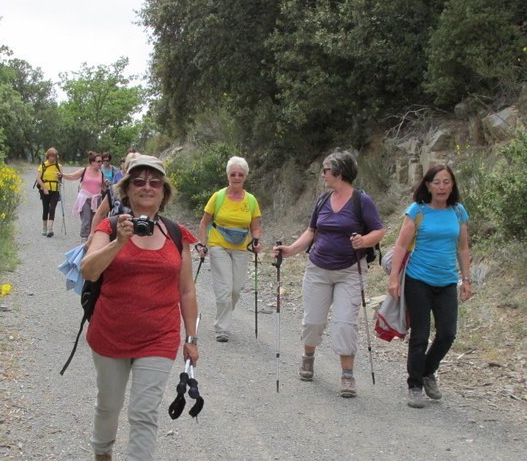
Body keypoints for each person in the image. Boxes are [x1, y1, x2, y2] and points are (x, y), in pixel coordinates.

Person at [80, 154, 199, 461]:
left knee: (145, 412)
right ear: (127, 190)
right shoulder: (109, 226)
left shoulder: (177, 234)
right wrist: (118, 241)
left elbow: (187, 290)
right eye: (139, 181)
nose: (147, 187)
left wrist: (191, 337)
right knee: (109, 404)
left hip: (159, 336)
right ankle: (102, 452)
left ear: (164, 192)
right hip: (111, 330)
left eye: (154, 182)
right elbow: (88, 269)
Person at [274, 150, 384, 398]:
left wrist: (363, 240)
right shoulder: (323, 200)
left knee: (345, 323)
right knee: (313, 321)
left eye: (326, 169)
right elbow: (311, 231)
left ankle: (347, 375)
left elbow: (379, 231)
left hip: (350, 271)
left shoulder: (361, 201)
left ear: (339, 172)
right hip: (318, 269)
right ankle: (308, 357)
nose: (322, 173)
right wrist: (289, 250)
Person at [387, 164, 472, 408]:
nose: (442, 187)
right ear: (427, 185)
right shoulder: (417, 210)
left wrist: (466, 280)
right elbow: (401, 246)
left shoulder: (458, 212)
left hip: (446, 281)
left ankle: (427, 371)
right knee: (420, 336)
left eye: (446, 182)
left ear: (452, 184)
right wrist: (393, 278)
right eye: (437, 182)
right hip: (418, 280)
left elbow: (463, 248)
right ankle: (414, 385)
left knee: (448, 333)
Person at [195, 156, 262, 342]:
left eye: (240, 174)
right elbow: (204, 223)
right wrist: (203, 244)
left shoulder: (251, 200)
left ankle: (222, 317)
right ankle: (221, 328)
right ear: (227, 176)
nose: (237, 177)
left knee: (236, 290)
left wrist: (256, 240)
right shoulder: (218, 197)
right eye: (233, 174)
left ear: (246, 177)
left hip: (241, 247)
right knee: (225, 290)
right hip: (219, 245)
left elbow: (255, 226)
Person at [60, 151, 106, 243]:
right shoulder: (84, 171)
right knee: (86, 220)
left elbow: (103, 187)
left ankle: (92, 240)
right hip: (85, 198)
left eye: (101, 162)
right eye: (98, 161)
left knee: (95, 221)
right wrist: (62, 175)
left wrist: (107, 185)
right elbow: (72, 176)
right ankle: (84, 240)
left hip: (96, 199)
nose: (100, 164)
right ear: (92, 162)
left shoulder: (101, 173)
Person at [35, 147, 62, 237]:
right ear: (48, 156)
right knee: (45, 208)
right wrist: (44, 188)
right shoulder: (43, 165)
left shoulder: (58, 166)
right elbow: (38, 178)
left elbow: (61, 178)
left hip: (55, 190)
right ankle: (44, 227)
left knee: (52, 208)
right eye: (51, 156)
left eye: (54, 156)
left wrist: (60, 176)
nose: (52, 158)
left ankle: (50, 229)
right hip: (44, 190)